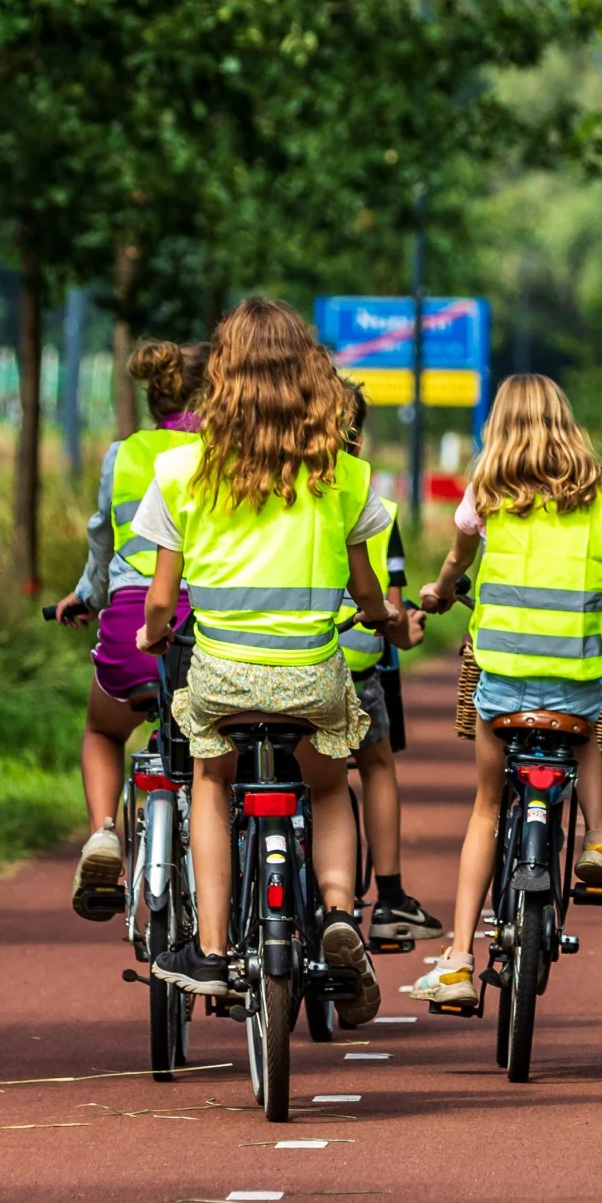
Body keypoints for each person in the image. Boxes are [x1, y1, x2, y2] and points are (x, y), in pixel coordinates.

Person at [132, 300, 405, 1021]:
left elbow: (162, 599)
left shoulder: (181, 468)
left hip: (222, 677)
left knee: (212, 782)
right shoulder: (341, 473)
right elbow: (365, 585)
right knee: (325, 784)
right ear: (309, 374)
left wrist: (152, 634)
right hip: (313, 675)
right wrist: (378, 616)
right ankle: (341, 910)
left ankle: (215, 949)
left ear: (220, 375)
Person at [409, 375, 602, 1012]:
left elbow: (458, 558)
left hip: (502, 677)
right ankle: (599, 837)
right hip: (574, 679)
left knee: (487, 808)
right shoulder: (600, 494)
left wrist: (438, 593)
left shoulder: (487, 491)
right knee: (591, 739)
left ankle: (460, 956)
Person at [55, 340, 203, 920]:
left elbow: (104, 539)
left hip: (129, 625)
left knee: (102, 728)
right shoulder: (230, 453)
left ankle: (101, 836)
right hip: (204, 629)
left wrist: (87, 595)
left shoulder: (123, 454)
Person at [335, 381, 441, 951]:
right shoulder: (368, 495)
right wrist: (406, 629)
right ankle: (391, 896)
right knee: (374, 765)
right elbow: (389, 607)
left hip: (268, 657)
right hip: (354, 667)